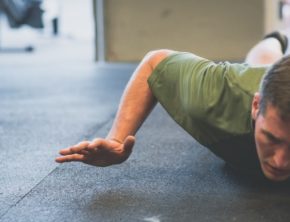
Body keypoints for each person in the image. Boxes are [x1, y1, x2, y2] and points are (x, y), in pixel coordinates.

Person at [55, 31, 290, 182]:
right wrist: (117, 139)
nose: (280, 161)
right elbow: (156, 62)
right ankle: (277, 39)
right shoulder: (215, 94)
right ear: (256, 105)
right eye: (271, 137)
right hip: (249, 80)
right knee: (265, 62)